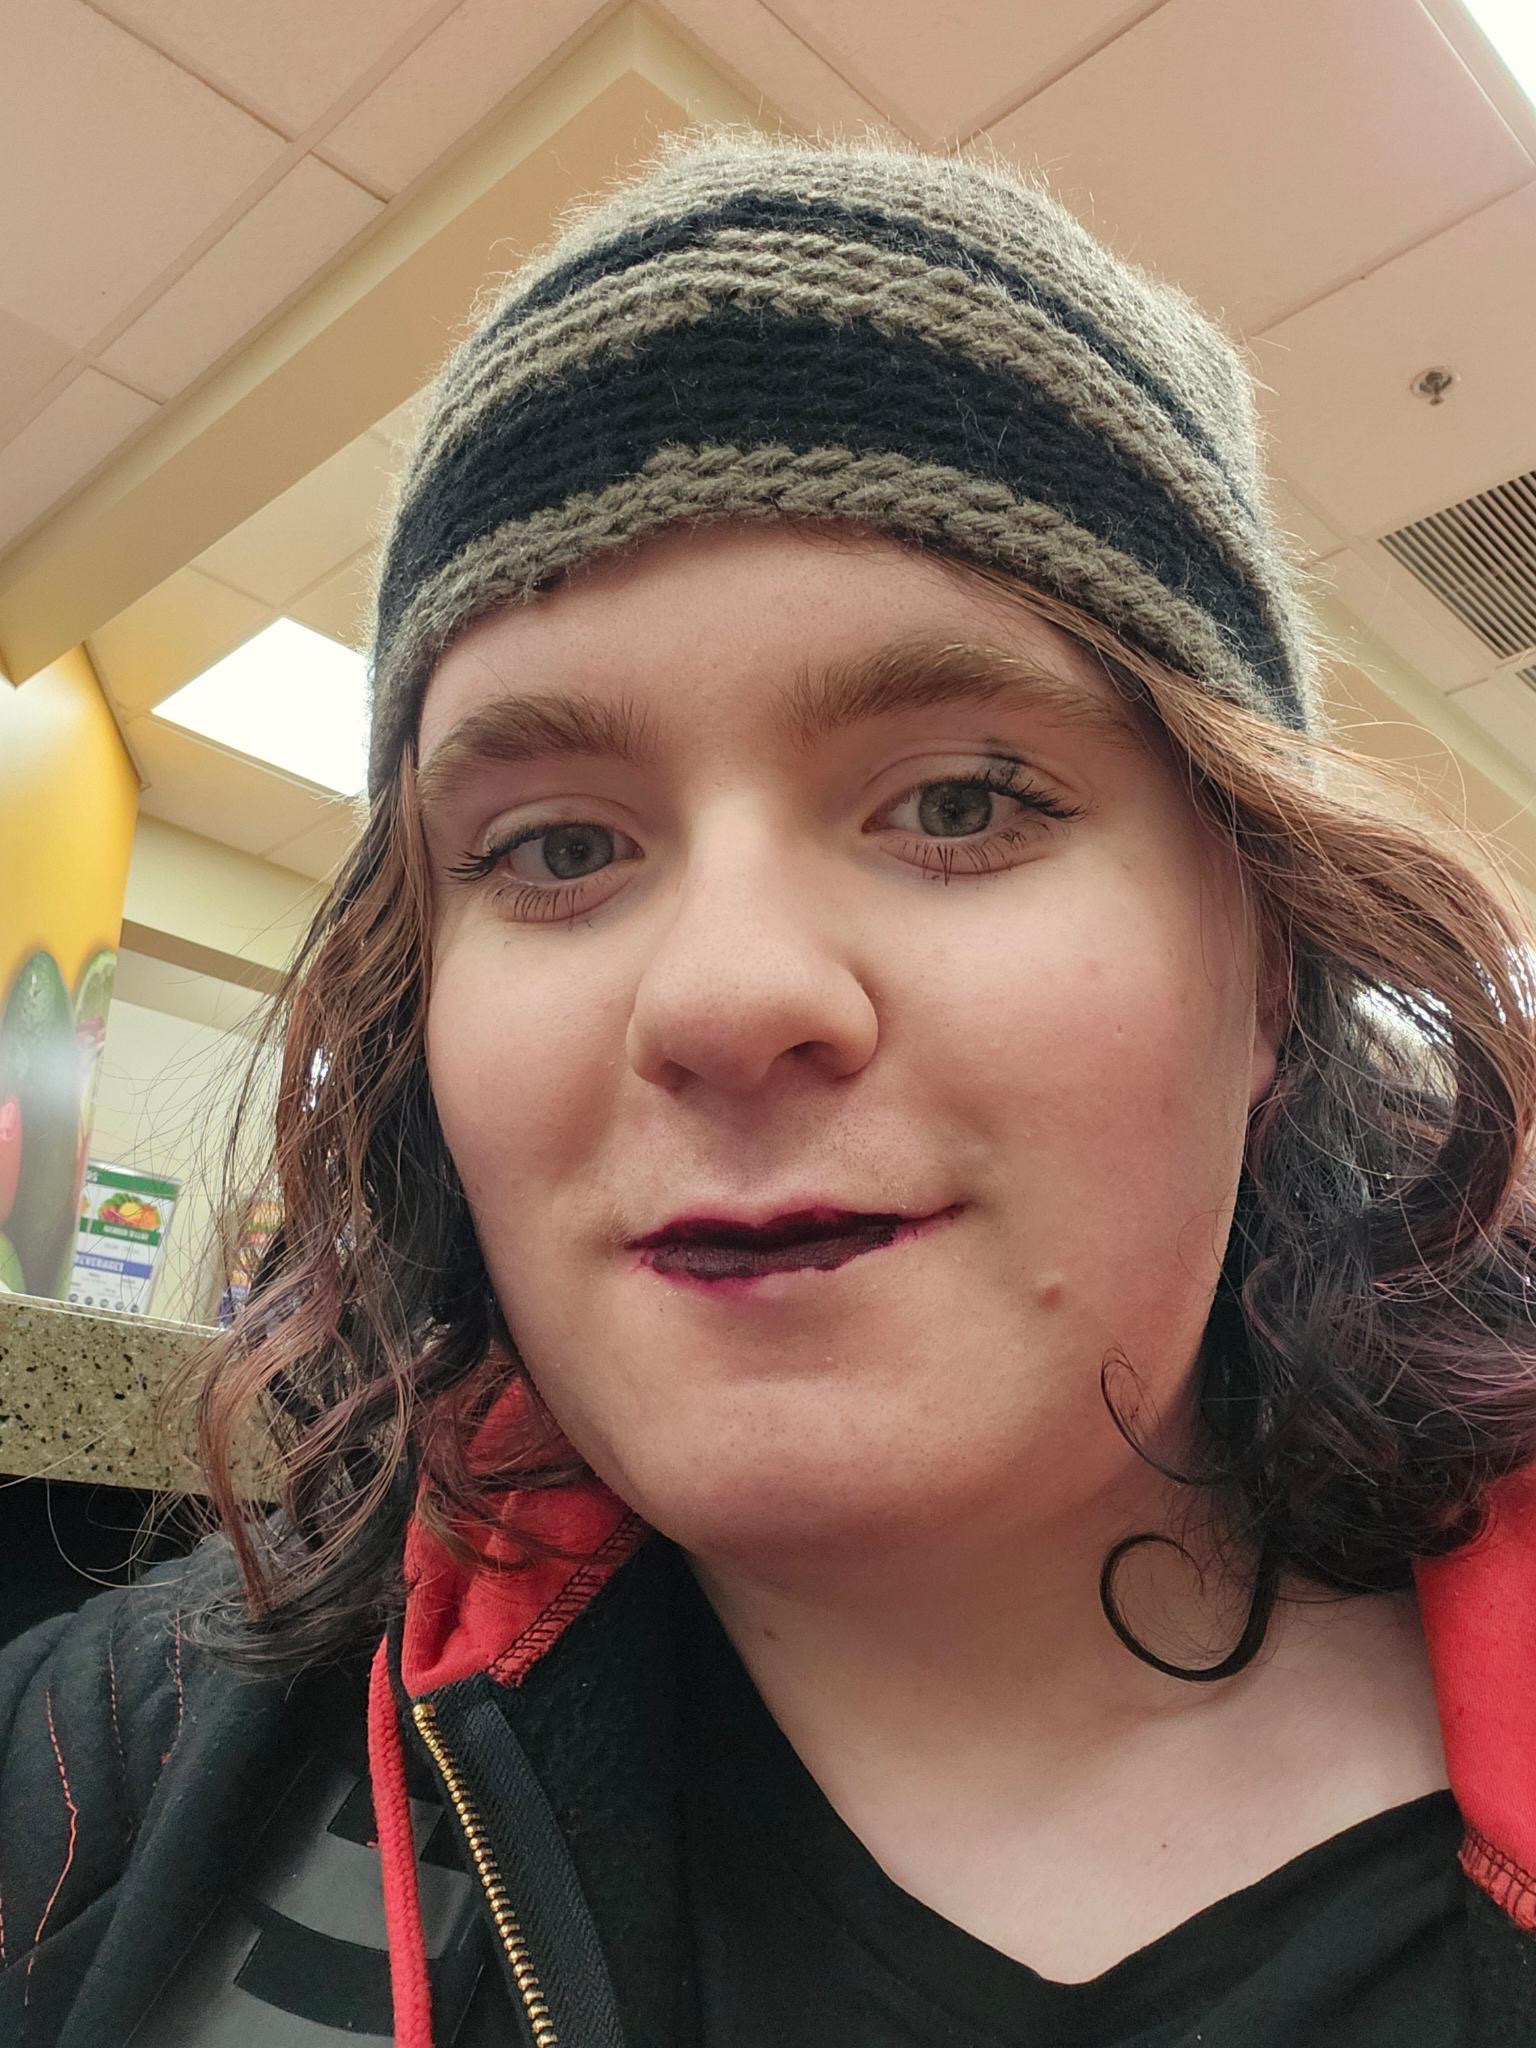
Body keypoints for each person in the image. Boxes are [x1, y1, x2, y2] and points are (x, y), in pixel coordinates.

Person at [3, 129, 1535, 2048]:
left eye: (959, 803)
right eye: (559, 848)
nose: (727, 997)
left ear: (1271, 978)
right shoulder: (112, 1778)